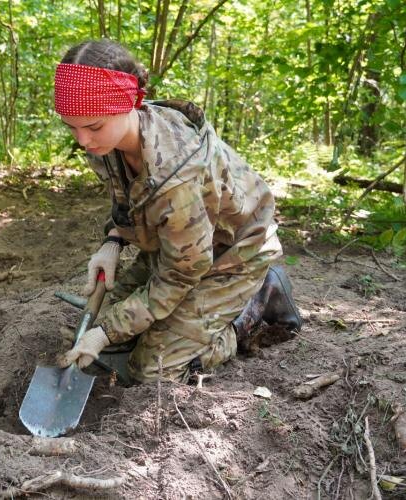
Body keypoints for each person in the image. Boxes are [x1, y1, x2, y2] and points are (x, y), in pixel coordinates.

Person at [54, 39, 301, 383]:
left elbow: (181, 275)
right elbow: (128, 201)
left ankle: (252, 308)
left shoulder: (175, 173)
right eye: (72, 127)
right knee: (113, 338)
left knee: (151, 370)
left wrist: (106, 331)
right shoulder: (106, 142)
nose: (82, 140)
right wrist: (112, 241)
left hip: (232, 256)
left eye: (93, 126)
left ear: (129, 104)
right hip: (182, 245)